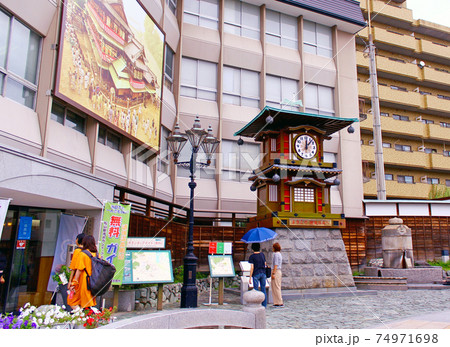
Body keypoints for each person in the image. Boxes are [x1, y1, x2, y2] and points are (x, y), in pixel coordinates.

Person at [67, 235, 97, 310]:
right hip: (93, 281)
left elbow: (78, 270)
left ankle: (80, 316)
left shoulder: (82, 254)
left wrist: (73, 283)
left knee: (72, 300)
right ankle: (85, 317)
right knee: (86, 303)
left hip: (83, 281)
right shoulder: (96, 254)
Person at [248, 243, 267, 307]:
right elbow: (265, 263)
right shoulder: (262, 255)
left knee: (256, 289)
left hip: (256, 274)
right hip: (263, 273)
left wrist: (250, 277)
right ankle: (264, 304)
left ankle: (257, 304)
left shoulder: (252, 256)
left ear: (252, 248)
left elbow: (252, 267)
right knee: (263, 289)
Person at [271, 242, 284, 307]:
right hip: (278, 271)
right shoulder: (279, 254)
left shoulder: (276, 254)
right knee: (277, 286)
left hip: (276, 271)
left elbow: (276, 264)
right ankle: (277, 301)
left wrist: (273, 273)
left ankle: (278, 302)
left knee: (276, 287)